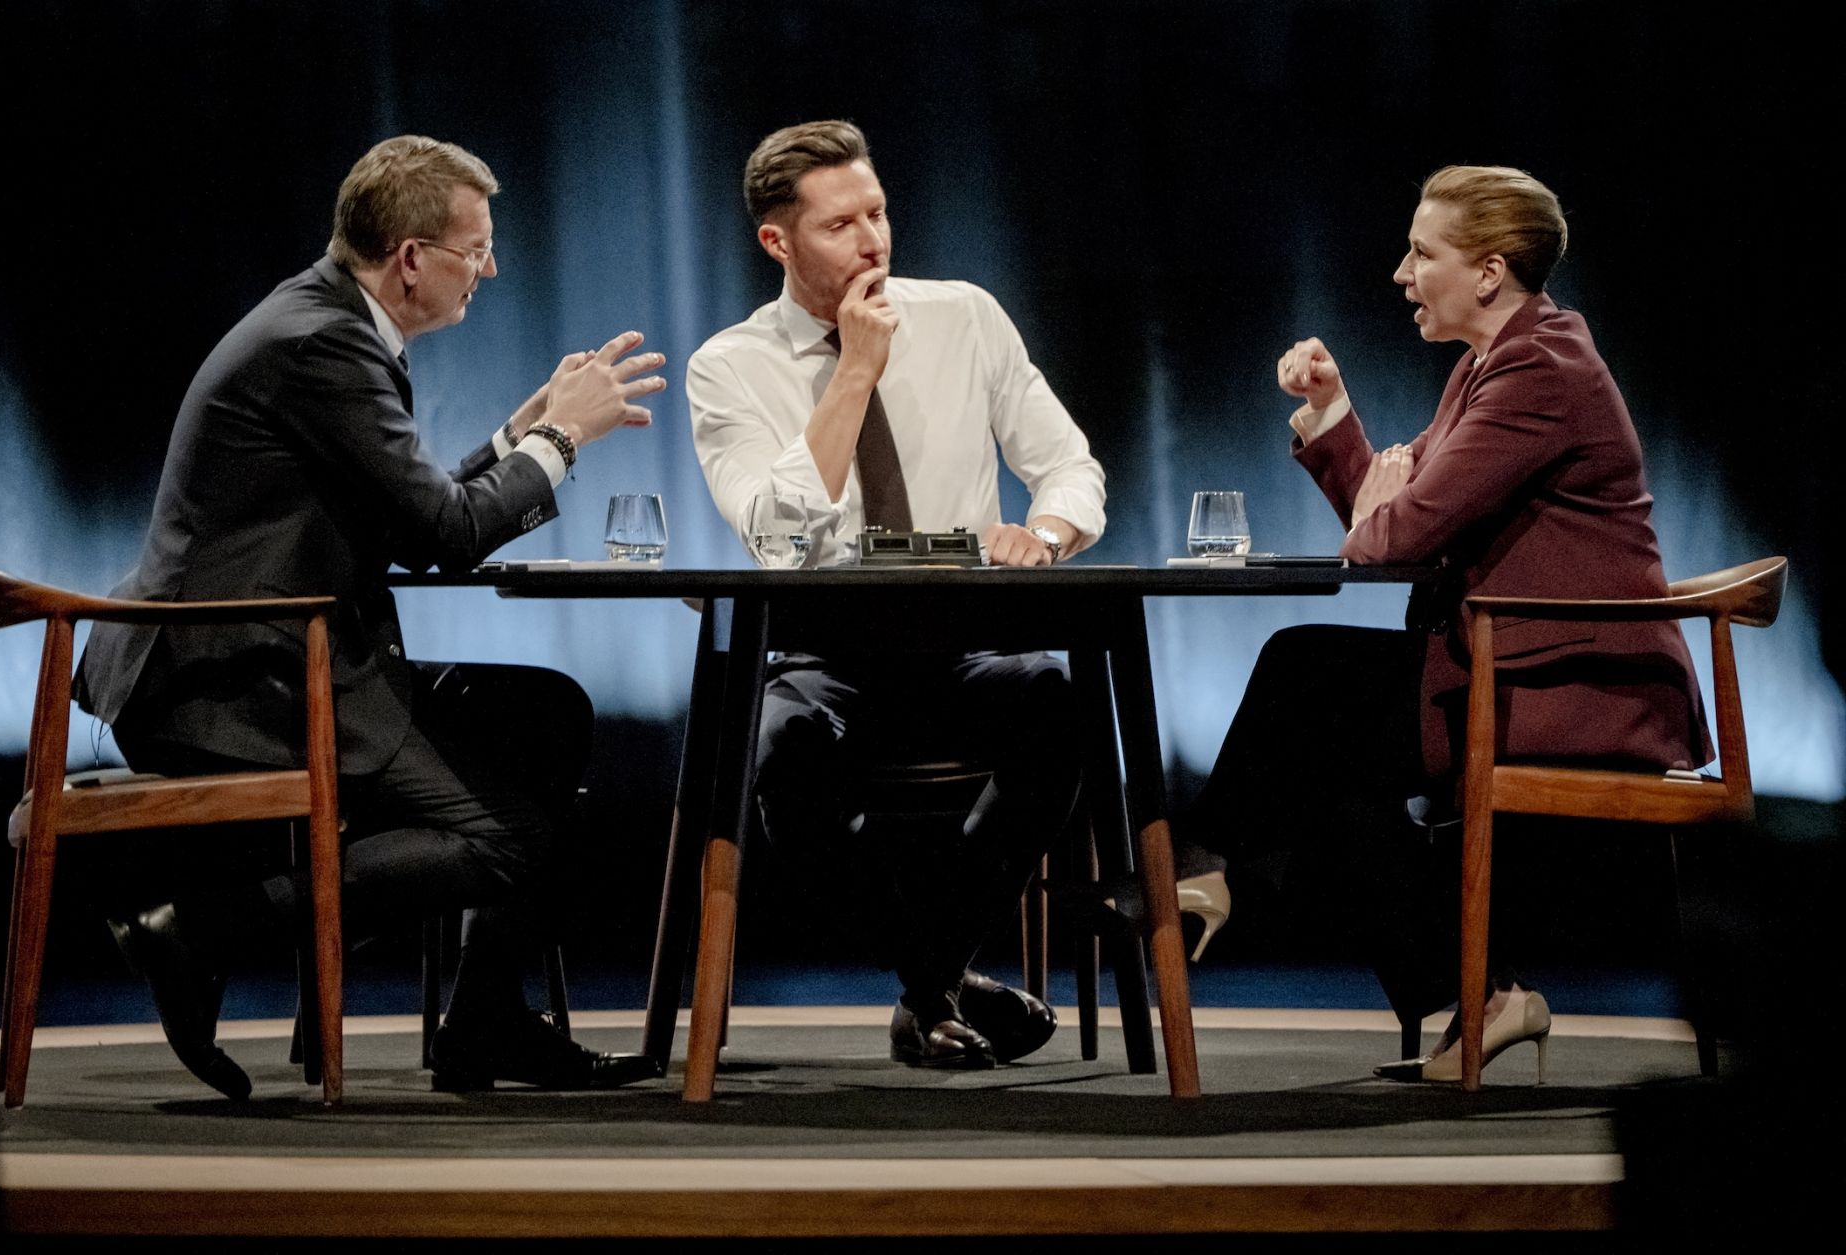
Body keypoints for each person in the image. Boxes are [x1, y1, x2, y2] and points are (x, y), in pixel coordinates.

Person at [74, 135, 668, 1097]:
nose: (489, 270)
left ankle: (483, 1020)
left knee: (545, 713)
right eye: (477, 249)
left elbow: (411, 519)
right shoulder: (323, 343)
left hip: (283, 657)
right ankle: (200, 927)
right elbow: (448, 533)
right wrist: (563, 438)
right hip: (229, 682)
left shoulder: (330, 323)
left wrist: (516, 439)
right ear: (412, 258)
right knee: (505, 835)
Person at [1176, 165, 1709, 1081]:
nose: (1401, 273)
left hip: (1576, 686)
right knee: (1319, 751)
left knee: (1305, 679)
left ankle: (1203, 866)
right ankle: (1484, 989)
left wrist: (1387, 508)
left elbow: (1397, 530)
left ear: (1490, 272)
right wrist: (1331, 414)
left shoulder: (1540, 372)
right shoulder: (1491, 365)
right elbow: (1394, 519)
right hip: (1508, 664)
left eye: (1422, 254)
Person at [687, 120, 1107, 1068]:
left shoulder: (965, 316)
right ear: (777, 241)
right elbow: (778, 538)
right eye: (840, 225)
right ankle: (940, 980)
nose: (872, 240)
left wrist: (1042, 533)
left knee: (1058, 702)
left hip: (964, 649)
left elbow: (1071, 468)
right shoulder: (730, 366)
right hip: (824, 659)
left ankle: (930, 978)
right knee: (781, 749)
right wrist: (856, 370)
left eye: (876, 213)